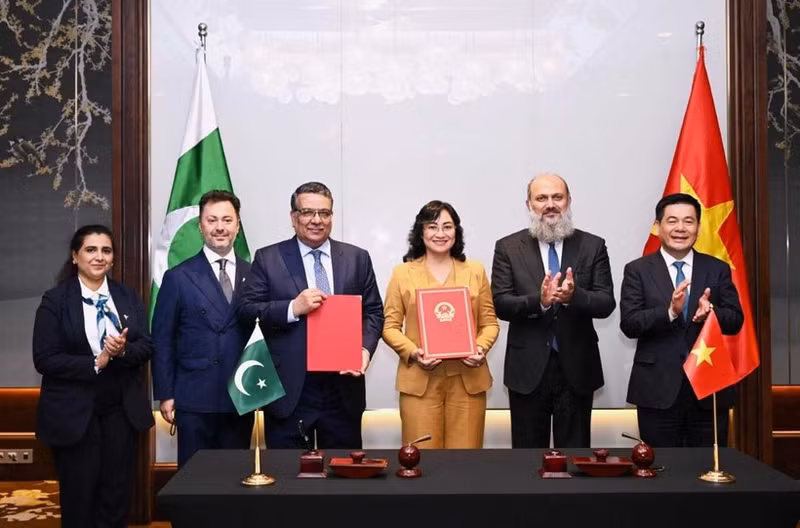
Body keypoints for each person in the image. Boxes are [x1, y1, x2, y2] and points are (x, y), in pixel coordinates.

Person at [236, 181, 384, 448]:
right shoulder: (268, 258)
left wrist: (364, 349)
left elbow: (374, 312)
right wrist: (293, 308)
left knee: (344, 476)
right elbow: (246, 311)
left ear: (331, 216)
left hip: (343, 389)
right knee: (289, 478)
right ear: (294, 217)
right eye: (307, 212)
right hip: (291, 390)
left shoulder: (356, 258)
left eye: (324, 213)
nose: (317, 220)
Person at [32, 225, 154, 528]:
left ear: (112, 258)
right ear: (75, 256)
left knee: (115, 498)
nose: (99, 257)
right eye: (91, 250)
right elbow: (45, 358)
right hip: (75, 416)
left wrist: (122, 352)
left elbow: (147, 345)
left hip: (120, 414)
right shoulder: (55, 300)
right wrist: (96, 362)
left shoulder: (126, 296)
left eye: (106, 251)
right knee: (79, 498)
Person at [491, 172, 615, 448]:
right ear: (529, 205)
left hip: (577, 367)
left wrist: (574, 297)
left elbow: (606, 302)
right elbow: (501, 303)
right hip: (527, 370)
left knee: (575, 457)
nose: (550, 204)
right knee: (526, 458)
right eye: (541, 198)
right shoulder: (508, 247)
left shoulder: (593, 245)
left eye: (557, 197)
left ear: (569, 201)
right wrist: (541, 301)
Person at [620, 193, 743, 447]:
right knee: (661, 470)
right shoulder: (638, 270)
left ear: (698, 227)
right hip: (657, 388)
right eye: (672, 221)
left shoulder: (717, 268)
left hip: (708, 386)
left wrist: (712, 313)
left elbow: (735, 320)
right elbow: (630, 324)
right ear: (658, 226)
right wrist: (670, 313)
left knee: (708, 466)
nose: (680, 228)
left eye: (688, 221)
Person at [383, 201, 499, 448]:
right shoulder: (402, 273)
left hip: (468, 379)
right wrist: (413, 352)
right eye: (432, 226)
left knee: (465, 463)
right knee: (422, 462)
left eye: (447, 226)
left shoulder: (475, 271)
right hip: (419, 381)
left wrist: (480, 348)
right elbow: (390, 326)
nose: (440, 234)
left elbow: (490, 323)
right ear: (421, 232)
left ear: (456, 232)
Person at [152, 190, 255, 467]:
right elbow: (162, 339)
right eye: (211, 220)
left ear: (237, 225)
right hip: (194, 397)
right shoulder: (178, 277)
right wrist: (166, 393)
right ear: (200, 225)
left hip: (240, 395)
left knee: (237, 480)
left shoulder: (255, 274)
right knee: (194, 483)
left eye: (227, 220)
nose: (219, 227)